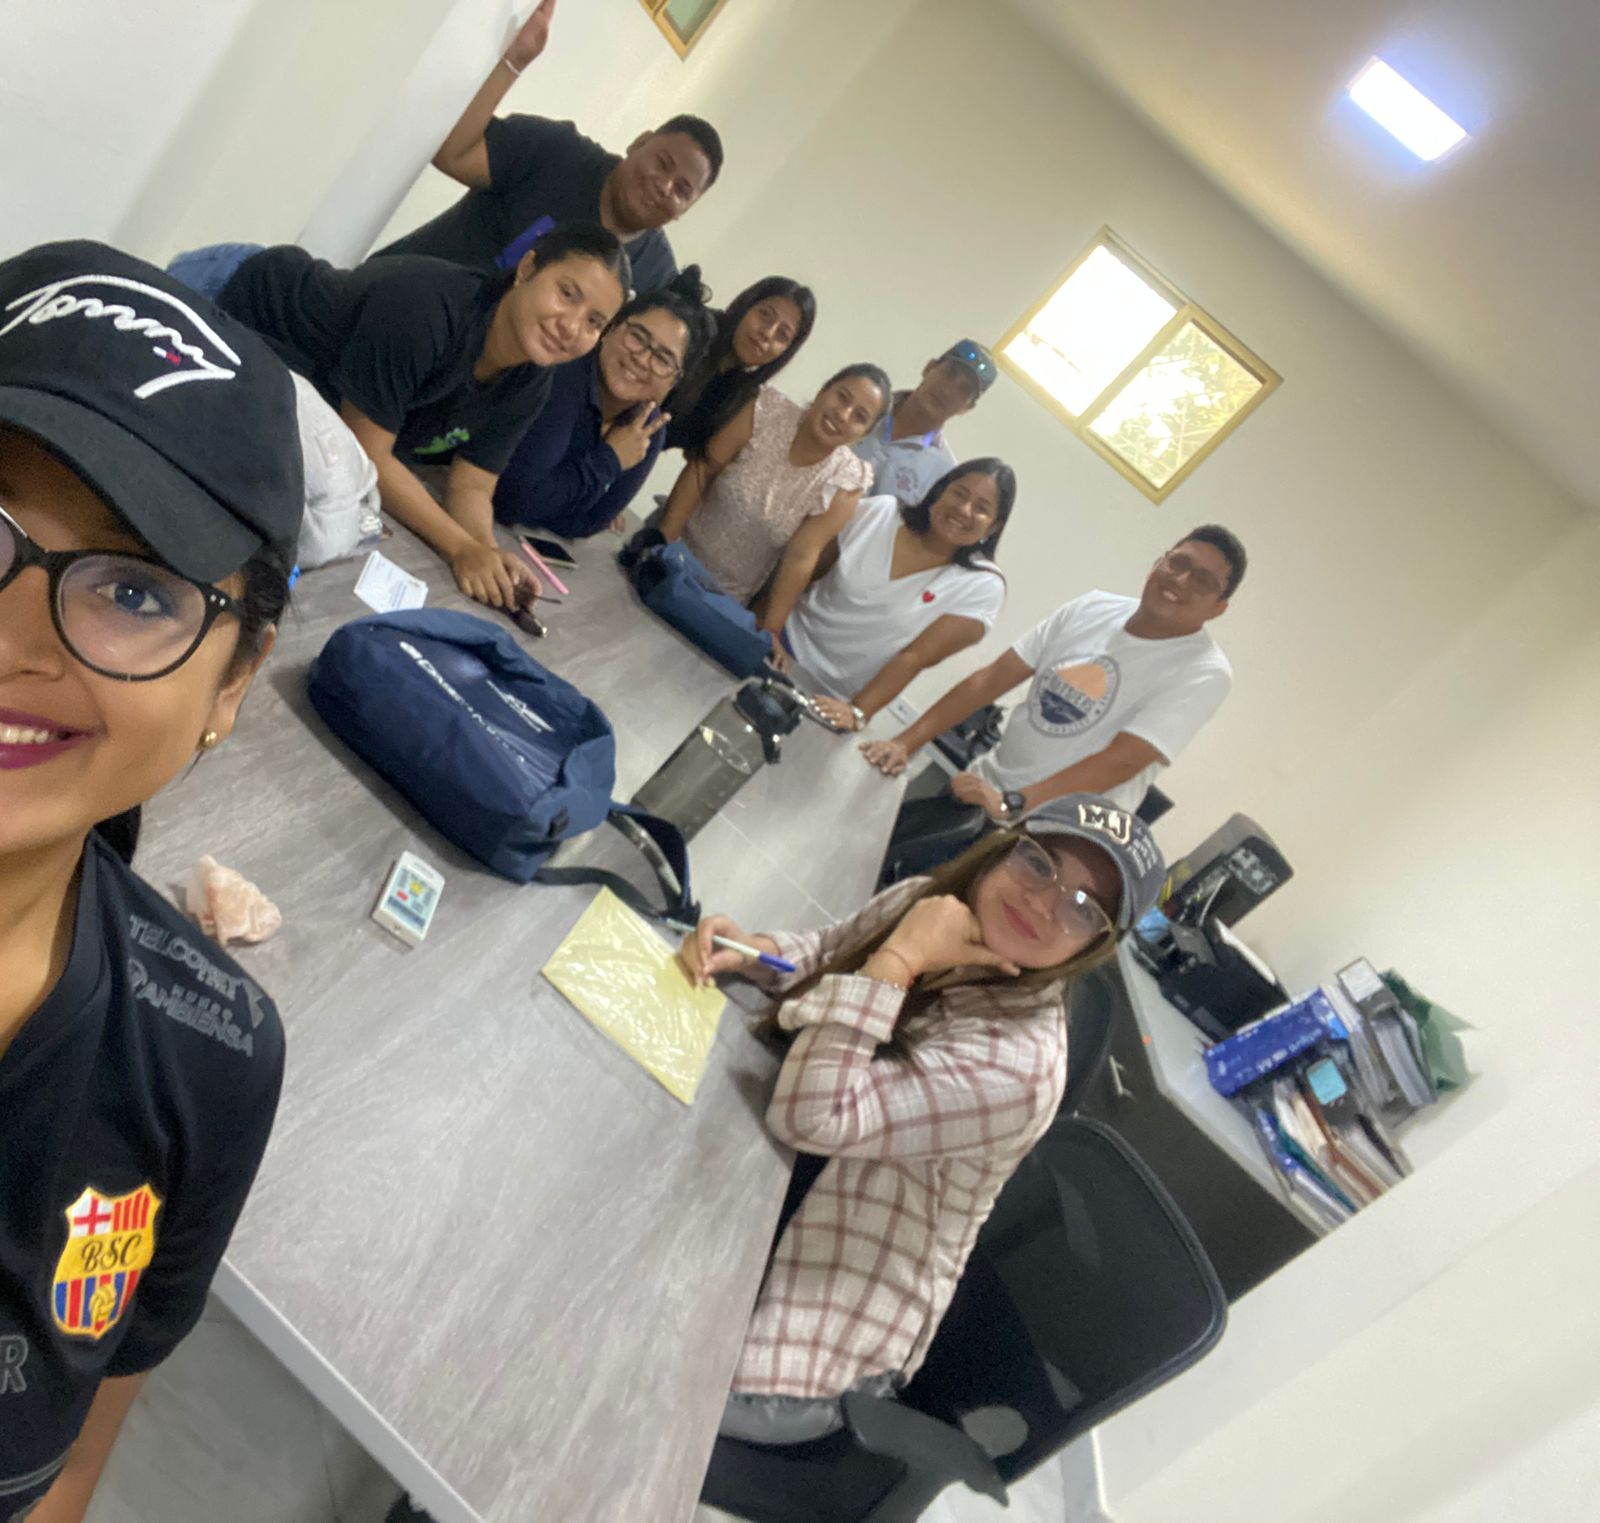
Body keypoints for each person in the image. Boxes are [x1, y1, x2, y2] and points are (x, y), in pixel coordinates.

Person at [0, 241, 301, 1521]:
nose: (12, 634)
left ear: (234, 681)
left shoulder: (208, 1055)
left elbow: (68, 1465)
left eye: (131, 587)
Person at [679, 795, 1164, 1445]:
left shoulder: (1020, 1068)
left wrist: (901, 960)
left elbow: (810, 1117)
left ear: (1096, 946)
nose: (1044, 902)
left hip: (798, 1347)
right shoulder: (930, 906)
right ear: (1007, 847)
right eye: (1040, 862)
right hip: (771, 1179)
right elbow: (825, 954)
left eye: (1084, 908)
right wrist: (752, 951)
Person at [189, 226, 628, 609]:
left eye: (594, 322)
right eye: (567, 294)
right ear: (527, 268)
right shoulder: (427, 309)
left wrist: (488, 554)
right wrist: (460, 549)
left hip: (284, 396)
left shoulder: (532, 379)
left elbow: (473, 484)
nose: (572, 326)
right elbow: (369, 450)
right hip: (226, 301)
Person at [865, 527, 1245, 882]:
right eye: (1177, 563)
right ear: (1159, 562)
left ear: (1219, 607)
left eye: (1202, 581)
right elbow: (991, 679)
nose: (1180, 580)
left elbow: (1123, 760)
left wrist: (1013, 804)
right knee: (872, 879)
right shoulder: (1093, 607)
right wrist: (905, 743)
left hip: (1045, 841)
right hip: (979, 794)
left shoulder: (1204, 671)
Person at [373, 0, 720, 293]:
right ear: (639, 143)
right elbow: (453, 155)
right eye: (662, 163)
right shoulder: (558, 152)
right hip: (396, 296)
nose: (664, 186)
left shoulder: (654, 276)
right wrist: (513, 63)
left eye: (682, 190)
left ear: (684, 211)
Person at [656, 365, 890, 646]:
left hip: (721, 602)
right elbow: (702, 469)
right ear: (824, 390)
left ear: (863, 435)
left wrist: (771, 630)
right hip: (668, 550)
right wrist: (662, 542)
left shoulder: (847, 480)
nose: (843, 414)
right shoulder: (766, 410)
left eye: (859, 417)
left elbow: (801, 557)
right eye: (842, 397)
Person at [787, 459, 1015, 732]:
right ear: (940, 491)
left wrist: (858, 711)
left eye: (981, 508)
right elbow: (807, 564)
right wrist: (768, 626)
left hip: (834, 699)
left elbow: (914, 658)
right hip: (783, 644)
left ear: (993, 527)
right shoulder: (882, 513)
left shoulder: (982, 586)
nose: (964, 509)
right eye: (959, 494)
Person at [491, 269, 716, 540]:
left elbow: (591, 522)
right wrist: (610, 459)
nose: (641, 359)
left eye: (663, 359)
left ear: (674, 382)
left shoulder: (649, 428)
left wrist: (552, 497)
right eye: (638, 337)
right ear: (611, 328)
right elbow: (512, 501)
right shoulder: (565, 374)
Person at [664, 277, 817, 459]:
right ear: (746, 306)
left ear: (786, 351)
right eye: (765, 315)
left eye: (782, 335)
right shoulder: (692, 329)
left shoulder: (740, 395)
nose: (767, 333)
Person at [853, 339, 999, 506]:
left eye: (964, 389)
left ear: (966, 408)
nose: (949, 390)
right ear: (929, 367)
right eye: (950, 374)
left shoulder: (943, 475)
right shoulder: (861, 405)